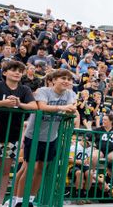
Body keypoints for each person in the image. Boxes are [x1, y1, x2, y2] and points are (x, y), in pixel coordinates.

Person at [14, 69, 77, 207]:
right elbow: (42, 107)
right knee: (29, 168)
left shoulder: (71, 94)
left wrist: (68, 108)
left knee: (41, 169)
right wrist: (64, 108)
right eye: (62, 78)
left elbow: (73, 108)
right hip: (34, 135)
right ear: (53, 80)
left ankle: (29, 200)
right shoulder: (43, 91)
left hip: (51, 137)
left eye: (69, 79)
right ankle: (18, 201)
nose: (66, 81)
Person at [0, 61, 37, 207]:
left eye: (20, 70)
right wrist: (3, 104)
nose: (17, 72)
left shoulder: (24, 89)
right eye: (13, 70)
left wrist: (19, 104)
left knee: (4, 172)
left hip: (12, 136)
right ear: (5, 73)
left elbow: (33, 106)